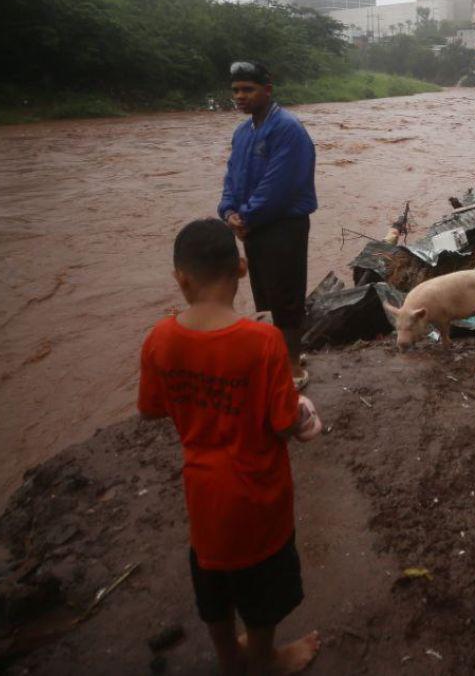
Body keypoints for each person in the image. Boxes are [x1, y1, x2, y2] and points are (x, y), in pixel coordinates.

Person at [138, 219, 322, 674]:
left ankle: (229, 660)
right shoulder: (263, 342)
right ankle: (265, 659)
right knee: (263, 594)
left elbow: (151, 409)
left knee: (213, 586)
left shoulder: (160, 339)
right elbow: (283, 424)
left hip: (203, 498)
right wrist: (303, 412)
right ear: (242, 269)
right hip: (260, 500)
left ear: (180, 277)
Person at [218, 61, 317, 389]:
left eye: (248, 89)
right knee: (264, 295)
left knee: (286, 296)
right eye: (235, 90)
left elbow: (280, 185)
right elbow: (233, 176)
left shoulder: (287, 128)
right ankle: (278, 355)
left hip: (284, 226)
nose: (240, 96)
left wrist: (245, 216)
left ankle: (293, 367)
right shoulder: (243, 132)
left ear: (268, 90)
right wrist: (229, 211)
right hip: (254, 226)